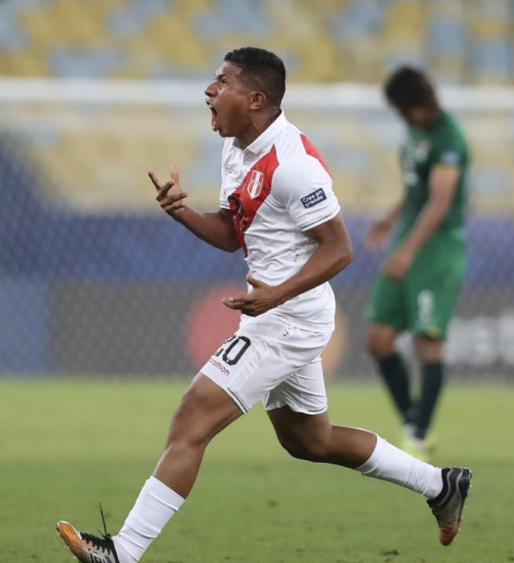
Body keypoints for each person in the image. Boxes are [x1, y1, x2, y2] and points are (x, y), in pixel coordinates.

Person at [56, 48, 472, 563]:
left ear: (255, 99)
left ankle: (123, 551)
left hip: (286, 319)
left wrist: (275, 294)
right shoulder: (237, 149)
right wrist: (182, 212)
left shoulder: (294, 166)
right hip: (280, 313)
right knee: (311, 441)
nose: (209, 90)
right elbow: (233, 232)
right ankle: (440, 485)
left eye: (221, 81)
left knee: (191, 421)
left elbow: (339, 249)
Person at [365, 66, 470, 461]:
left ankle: (419, 437)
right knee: (378, 339)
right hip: (407, 237)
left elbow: (440, 202)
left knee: (428, 342)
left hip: (436, 247)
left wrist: (408, 250)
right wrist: (391, 219)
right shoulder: (414, 132)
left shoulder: (448, 137)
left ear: (414, 103)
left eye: (400, 108)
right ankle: (414, 420)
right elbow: (417, 191)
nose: (398, 115)